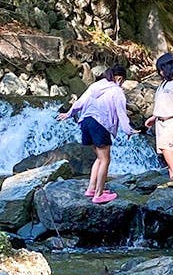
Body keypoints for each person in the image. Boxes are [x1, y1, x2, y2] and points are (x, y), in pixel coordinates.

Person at [56, 65, 137, 204]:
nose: (122, 84)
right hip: (100, 124)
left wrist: (68, 114)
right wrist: (128, 130)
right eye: (122, 81)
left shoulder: (95, 86)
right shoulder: (117, 91)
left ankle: (91, 189)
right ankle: (99, 195)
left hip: (86, 122)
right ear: (119, 78)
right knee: (105, 160)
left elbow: (79, 102)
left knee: (99, 158)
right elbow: (121, 113)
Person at [144, 53, 173, 187]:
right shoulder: (165, 83)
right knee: (164, 148)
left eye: (162, 69)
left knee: (168, 147)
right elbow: (163, 103)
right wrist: (154, 117)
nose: (161, 72)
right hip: (161, 121)